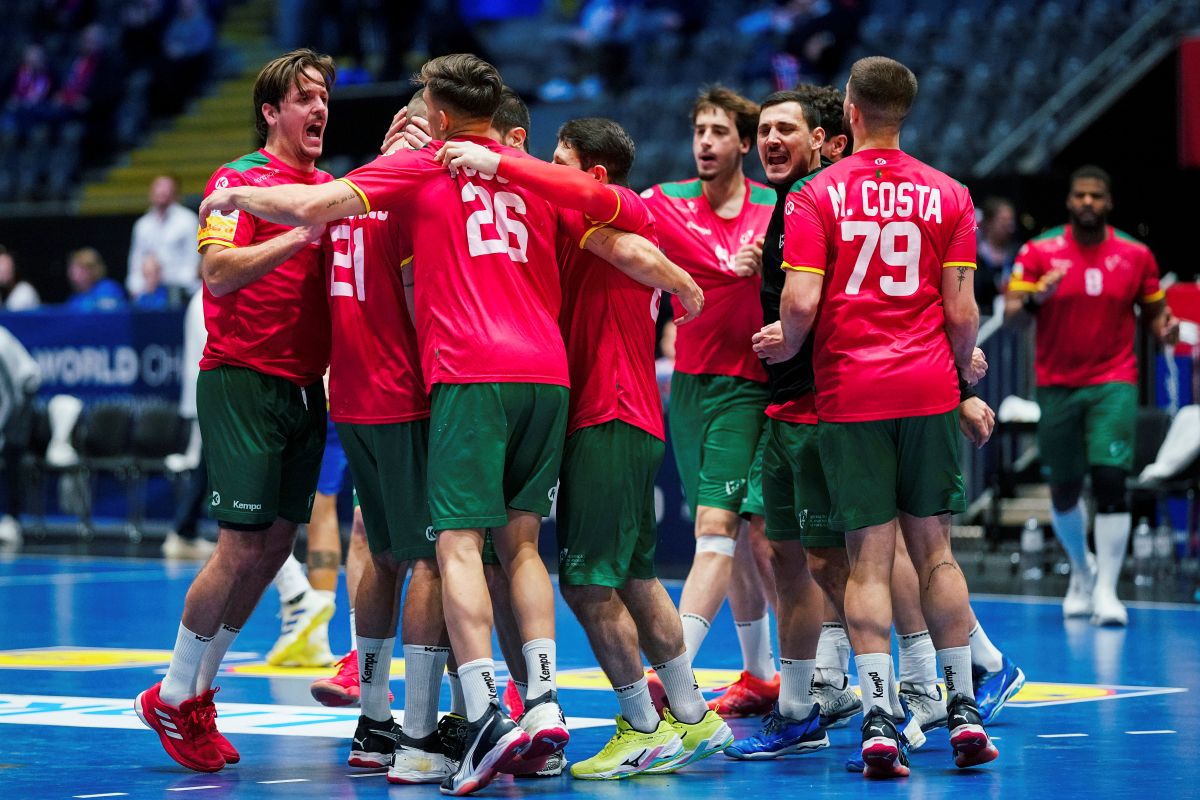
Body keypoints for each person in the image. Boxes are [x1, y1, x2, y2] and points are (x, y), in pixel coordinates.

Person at [200, 54, 573, 796]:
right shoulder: (422, 183)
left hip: (353, 397)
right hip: (425, 393)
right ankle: (429, 733)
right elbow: (411, 294)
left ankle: (376, 722)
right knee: (448, 553)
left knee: (379, 543)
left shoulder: (347, 191)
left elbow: (311, 247)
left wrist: (232, 198)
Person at [437, 116, 725, 780]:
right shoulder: (567, 224)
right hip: (621, 418)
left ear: (592, 173)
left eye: (559, 159)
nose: (547, 165)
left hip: (609, 412)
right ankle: (691, 711)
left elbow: (637, 255)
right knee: (634, 575)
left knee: (589, 583)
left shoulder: (612, 213)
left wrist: (679, 282)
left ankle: (642, 723)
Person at [760, 56, 998, 778]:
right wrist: (961, 372)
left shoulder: (815, 196)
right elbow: (962, 312)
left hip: (852, 390)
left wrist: (786, 342)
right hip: (927, 388)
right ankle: (959, 707)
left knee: (867, 559)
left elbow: (799, 304)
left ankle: (876, 718)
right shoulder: (950, 194)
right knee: (936, 554)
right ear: (904, 113)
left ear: (851, 114)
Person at [134, 48, 337, 774]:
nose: (318, 109)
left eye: (323, 98)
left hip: (305, 387)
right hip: (242, 378)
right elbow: (216, 275)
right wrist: (295, 237)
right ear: (271, 111)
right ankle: (177, 690)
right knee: (239, 546)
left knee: (278, 545)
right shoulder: (237, 180)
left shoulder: (329, 189)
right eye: (303, 98)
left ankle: (194, 692)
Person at [639, 86, 780, 717]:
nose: (705, 142)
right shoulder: (666, 202)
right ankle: (759, 674)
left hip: (751, 384)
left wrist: (771, 264)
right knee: (742, 540)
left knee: (717, 531)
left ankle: (674, 667)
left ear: (743, 144)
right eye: (699, 130)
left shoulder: (776, 209)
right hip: (691, 386)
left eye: (719, 132)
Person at [1004, 165, 1179, 626]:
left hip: (1113, 382)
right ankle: (1083, 570)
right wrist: (1037, 297)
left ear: (1108, 202)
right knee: (1063, 491)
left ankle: (1106, 592)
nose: (1087, 203)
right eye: (1080, 195)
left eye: (1096, 196)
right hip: (1056, 384)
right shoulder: (1039, 252)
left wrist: (1167, 331)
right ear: (1069, 201)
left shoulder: (1136, 255)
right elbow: (1013, 316)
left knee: (1110, 481)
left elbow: (1158, 315)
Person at [127, 174, 202, 300]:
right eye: (159, 187)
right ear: (151, 193)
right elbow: (135, 261)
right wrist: (136, 288)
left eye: (167, 188)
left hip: (181, 290)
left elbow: (193, 261)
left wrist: (167, 281)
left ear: (175, 194)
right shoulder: (142, 225)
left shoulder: (188, 220)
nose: (162, 191)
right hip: (148, 290)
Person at [0, 323, 40, 548]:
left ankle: (12, 520)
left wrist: (2, 428)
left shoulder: (0, 345)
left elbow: (12, 395)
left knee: (12, 451)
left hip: (23, 393)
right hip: (6, 400)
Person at [976, 196, 1018, 316]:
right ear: (989, 223)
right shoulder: (975, 257)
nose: (1009, 226)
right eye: (1003, 221)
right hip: (984, 323)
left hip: (1011, 322)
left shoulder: (1017, 254)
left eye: (1011, 221)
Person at [65, 247, 126, 311]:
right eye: (72, 270)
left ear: (91, 270)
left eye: (78, 270)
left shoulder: (107, 288)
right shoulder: (74, 299)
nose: (73, 275)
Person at [0, 246, 41, 310]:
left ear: (14, 269)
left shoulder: (24, 291)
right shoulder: (4, 292)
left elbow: (12, 318)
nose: (3, 270)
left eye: (6, 266)